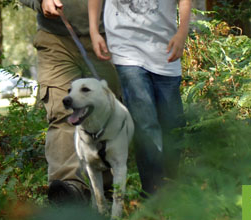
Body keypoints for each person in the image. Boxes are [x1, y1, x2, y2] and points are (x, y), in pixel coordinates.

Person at [19, 0, 122, 203]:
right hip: (55, 40)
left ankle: (108, 190)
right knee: (62, 111)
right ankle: (69, 191)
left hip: (106, 36)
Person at [88, 0, 190, 196]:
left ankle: (172, 185)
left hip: (164, 49)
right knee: (145, 121)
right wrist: (94, 31)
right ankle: (154, 192)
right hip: (126, 48)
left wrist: (182, 33)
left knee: (173, 125)